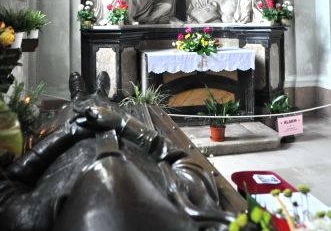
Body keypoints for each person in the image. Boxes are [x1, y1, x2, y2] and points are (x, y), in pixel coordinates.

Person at [0, 72, 237, 231]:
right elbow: (185, 163)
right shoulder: (183, 203)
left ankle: (80, 96)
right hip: (126, 141)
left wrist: (71, 133)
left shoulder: (34, 217)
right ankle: (101, 95)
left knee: (76, 110)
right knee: (105, 108)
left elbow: (10, 180)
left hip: (72, 145)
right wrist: (123, 122)